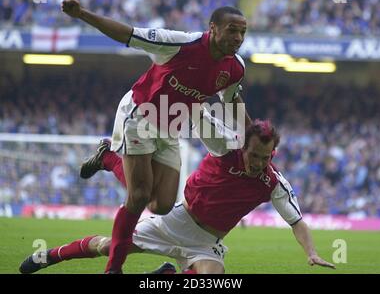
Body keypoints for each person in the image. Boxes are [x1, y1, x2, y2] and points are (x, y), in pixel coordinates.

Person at [61, 0, 251, 273]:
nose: (238, 37)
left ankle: (109, 158)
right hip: (140, 115)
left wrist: (255, 137)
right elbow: (128, 34)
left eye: (243, 32)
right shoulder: (179, 44)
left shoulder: (235, 67)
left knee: (161, 205)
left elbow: (233, 103)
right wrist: (82, 14)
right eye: (232, 30)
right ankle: (114, 268)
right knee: (138, 197)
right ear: (213, 28)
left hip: (171, 128)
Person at [19, 111, 335, 274]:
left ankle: (166, 272)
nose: (259, 163)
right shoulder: (226, 147)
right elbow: (199, 114)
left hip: (207, 243)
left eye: (266, 157)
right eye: (254, 155)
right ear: (244, 146)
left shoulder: (272, 181)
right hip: (174, 221)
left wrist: (311, 252)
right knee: (107, 246)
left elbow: (296, 221)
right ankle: (48, 256)